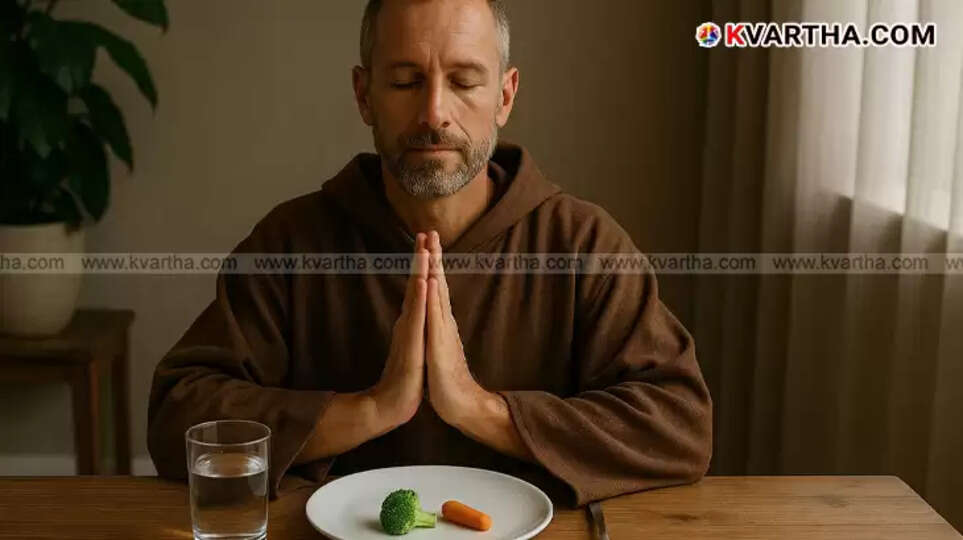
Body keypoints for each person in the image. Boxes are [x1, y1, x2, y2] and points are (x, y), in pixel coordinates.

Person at [148, 0, 712, 506]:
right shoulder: (293, 243)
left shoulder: (583, 246)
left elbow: (679, 426)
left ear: (505, 96)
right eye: (404, 81)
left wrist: (479, 409)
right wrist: (371, 409)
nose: (434, 113)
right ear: (364, 95)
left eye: (465, 81)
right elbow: (179, 415)